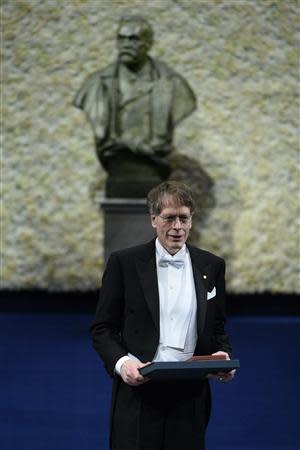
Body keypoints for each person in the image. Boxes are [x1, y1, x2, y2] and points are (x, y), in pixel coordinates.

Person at [90, 181, 235, 450]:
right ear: (153, 219)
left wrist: (221, 355)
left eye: (184, 218)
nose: (177, 227)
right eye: (169, 218)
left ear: (192, 220)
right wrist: (123, 364)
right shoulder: (124, 263)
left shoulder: (212, 265)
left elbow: (216, 326)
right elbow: (103, 329)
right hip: (139, 389)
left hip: (190, 391)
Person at [73, 16, 196, 178]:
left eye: (133, 39)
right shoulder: (96, 84)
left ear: (148, 44)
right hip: (117, 164)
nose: (125, 45)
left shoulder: (173, 85)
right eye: (121, 39)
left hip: (153, 169)